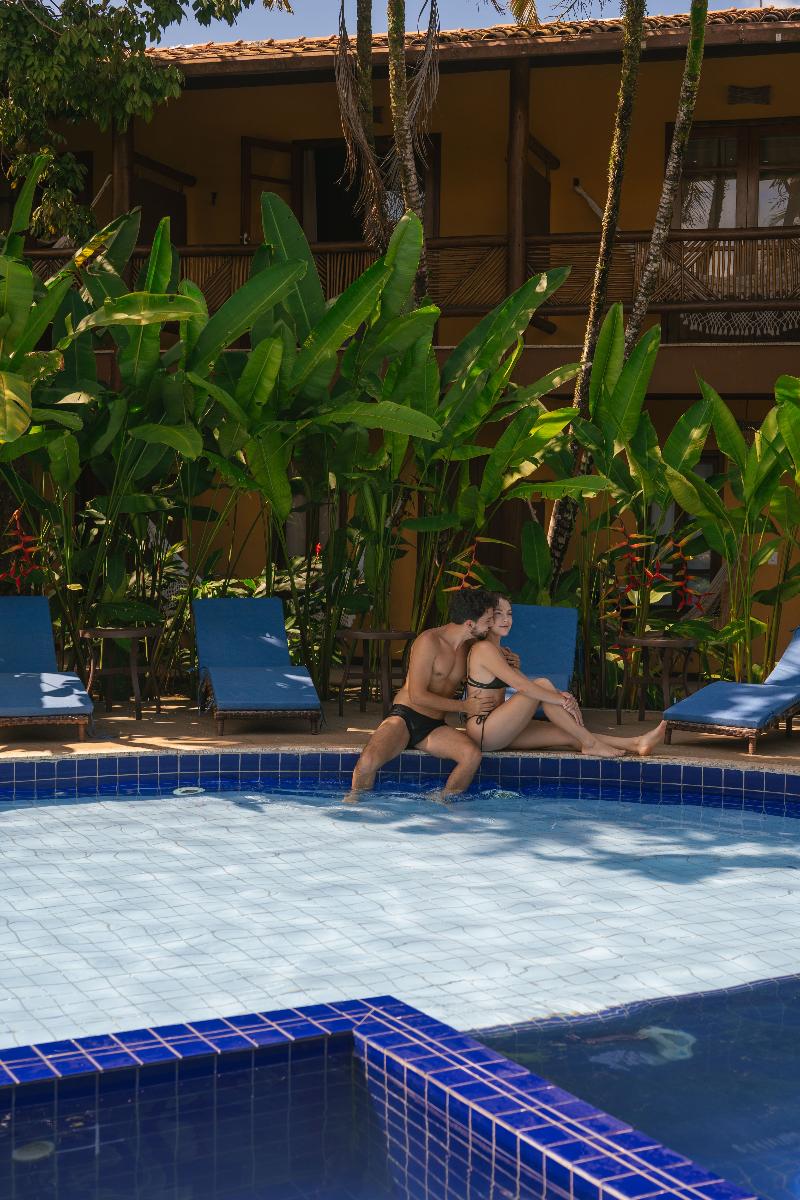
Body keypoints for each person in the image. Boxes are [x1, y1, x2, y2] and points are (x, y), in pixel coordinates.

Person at [463, 596, 666, 757]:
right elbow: (524, 687)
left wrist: (560, 695)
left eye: (509, 613)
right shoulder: (484, 649)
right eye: (498, 614)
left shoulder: (502, 652)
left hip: (499, 726)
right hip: (484, 731)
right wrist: (561, 699)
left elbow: (525, 684)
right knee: (543, 683)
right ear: (487, 618)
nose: (506, 619)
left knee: (568, 733)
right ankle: (591, 744)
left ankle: (636, 743)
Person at [348, 589, 499, 798]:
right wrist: (464, 706)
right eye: (488, 620)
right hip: (405, 717)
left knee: (472, 756)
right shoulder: (429, 641)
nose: (491, 624)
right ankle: (354, 804)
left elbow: (493, 663)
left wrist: (508, 659)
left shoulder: (470, 647)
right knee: (367, 763)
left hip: (433, 726)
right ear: (469, 623)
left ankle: (442, 801)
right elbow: (417, 695)